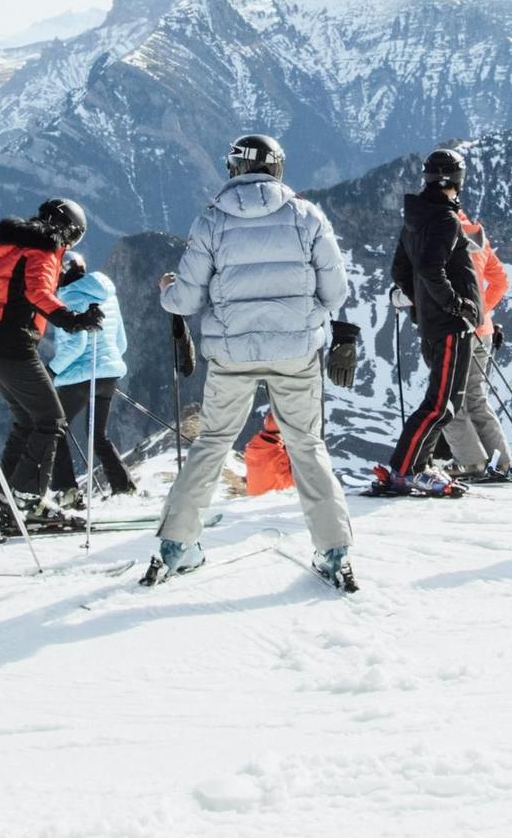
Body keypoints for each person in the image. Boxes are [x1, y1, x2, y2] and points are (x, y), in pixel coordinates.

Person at [146, 134, 357, 590]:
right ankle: (334, 551)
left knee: (213, 443)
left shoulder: (211, 221)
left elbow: (183, 298)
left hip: (231, 354)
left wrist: (167, 289)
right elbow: (336, 292)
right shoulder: (306, 216)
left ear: (234, 170)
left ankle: (176, 547)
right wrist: (308, 317)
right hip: (297, 352)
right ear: (277, 169)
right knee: (306, 445)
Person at [0, 198, 101, 532]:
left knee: (27, 421)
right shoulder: (43, 249)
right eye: (72, 238)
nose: (69, 246)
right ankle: (28, 499)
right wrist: (74, 320)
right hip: (14, 345)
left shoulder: (12, 249)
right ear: (66, 228)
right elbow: (37, 292)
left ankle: (5, 499)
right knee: (51, 420)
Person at [377, 148, 479, 497]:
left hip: (432, 322)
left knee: (441, 400)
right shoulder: (445, 220)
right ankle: (407, 469)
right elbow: (428, 267)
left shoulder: (416, 217)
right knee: (442, 403)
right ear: (457, 180)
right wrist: (456, 305)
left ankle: (415, 465)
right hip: (450, 325)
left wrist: (422, 302)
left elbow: (400, 270)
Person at [48, 250, 138, 501]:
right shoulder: (109, 297)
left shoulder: (69, 298)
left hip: (79, 377)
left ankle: (67, 490)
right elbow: (121, 342)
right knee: (98, 435)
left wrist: (51, 369)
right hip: (108, 375)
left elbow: (75, 345)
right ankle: (123, 486)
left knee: (54, 428)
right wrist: (107, 366)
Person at [442, 211, 512, 482]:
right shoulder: (476, 234)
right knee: (475, 396)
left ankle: (471, 461)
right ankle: (502, 461)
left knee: (449, 398)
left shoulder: (442, 233)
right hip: (483, 328)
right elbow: (501, 281)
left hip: (457, 329)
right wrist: (481, 310)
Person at [243, 409, 295, 495]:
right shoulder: (277, 454)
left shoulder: (253, 448)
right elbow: (289, 484)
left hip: (253, 497)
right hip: (271, 500)